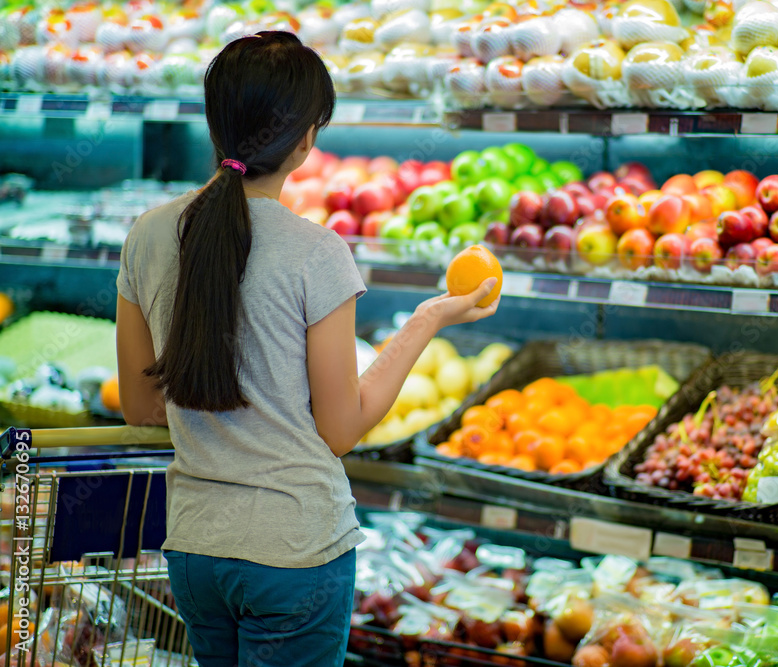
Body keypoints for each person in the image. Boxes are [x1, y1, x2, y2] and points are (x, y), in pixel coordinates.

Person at [115, 31, 498, 667]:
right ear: (304, 142)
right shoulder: (316, 252)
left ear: (216, 125)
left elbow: (138, 405)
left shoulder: (147, 235)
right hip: (295, 551)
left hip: (193, 548)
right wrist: (427, 318)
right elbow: (340, 429)